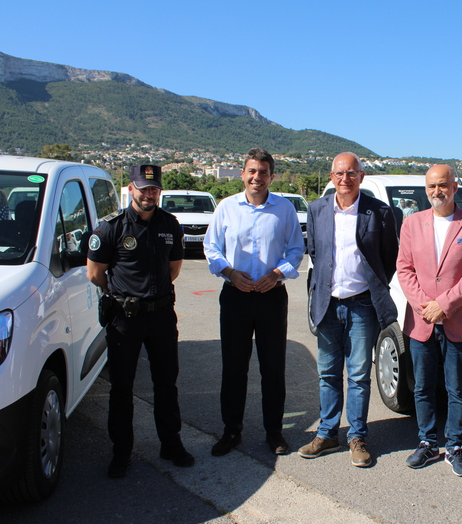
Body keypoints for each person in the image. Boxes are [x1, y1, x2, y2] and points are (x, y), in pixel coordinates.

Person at [87, 164, 194, 478]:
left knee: (166, 384)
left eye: (154, 189)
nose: (149, 194)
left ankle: (171, 443)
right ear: (131, 189)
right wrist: (123, 295)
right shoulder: (111, 228)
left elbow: (173, 269)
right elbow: (95, 274)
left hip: (161, 316)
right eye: (143, 188)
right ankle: (121, 451)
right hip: (125, 319)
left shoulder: (170, 225)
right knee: (121, 387)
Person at [299, 152, 399, 468]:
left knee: (358, 374)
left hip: (362, 306)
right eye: (340, 173)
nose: (345, 179)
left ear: (362, 176)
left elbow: (389, 257)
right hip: (327, 305)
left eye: (351, 173)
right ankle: (328, 433)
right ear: (332, 177)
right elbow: (315, 252)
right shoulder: (316, 210)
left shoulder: (380, 212)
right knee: (327, 372)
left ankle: (357, 436)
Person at [203, 148, 304, 456]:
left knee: (273, 368)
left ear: (271, 176)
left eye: (263, 172)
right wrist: (230, 273)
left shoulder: (284, 209)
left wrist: (277, 274)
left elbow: (296, 250)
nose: (256, 177)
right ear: (242, 174)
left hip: (272, 297)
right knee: (234, 367)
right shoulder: (226, 207)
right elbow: (211, 248)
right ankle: (231, 431)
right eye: (251, 171)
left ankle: (274, 432)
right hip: (236, 296)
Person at [396, 164, 462, 477]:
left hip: (459, 319)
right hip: (421, 320)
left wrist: (444, 305)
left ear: (455, 186)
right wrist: (427, 306)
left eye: (443, 185)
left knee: (457, 388)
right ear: (426, 189)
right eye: (432, 186)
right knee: (421, 387)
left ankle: (455, 446)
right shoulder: (411, 224)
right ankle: (426, 442)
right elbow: (404, 269)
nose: (438, 191)